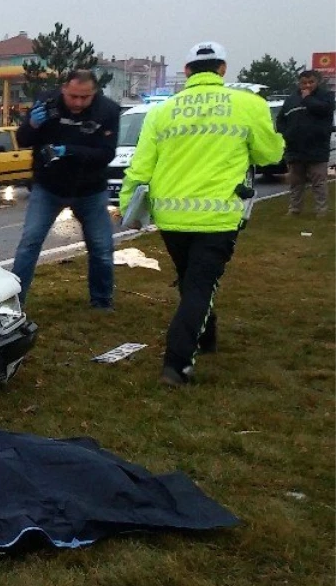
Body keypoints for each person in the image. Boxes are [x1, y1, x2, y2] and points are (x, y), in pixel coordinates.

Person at [119, 42, 283, 387]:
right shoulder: (247, 105)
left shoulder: (162, 111)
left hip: (171, 216)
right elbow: (269, 155)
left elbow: (140, 165)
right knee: (199, 287)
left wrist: (125, 207)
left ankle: (206, 337)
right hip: (218, 215)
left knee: (191, 281)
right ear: (222, 69)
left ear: (189, 70)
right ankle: (177, 365)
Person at [11, 70, 121, 309]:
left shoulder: (108, 111)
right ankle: (13, 304)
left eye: (85, 97)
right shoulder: (46, 104)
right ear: (63, 89)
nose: (79, 103)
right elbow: (23, 140)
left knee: (101, 247)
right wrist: (31, 125)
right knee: (29, 244)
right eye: (73, 97)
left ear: (94, 93)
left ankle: (102, 301)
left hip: (90, 189)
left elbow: (106, 154)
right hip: (49, 187)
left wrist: (68, 150)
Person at [277, 70, 334, 217]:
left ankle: (321, 211)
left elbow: (324, 110)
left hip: (317, 148)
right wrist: (286, 133)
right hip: (295, 149)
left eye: (311, 82)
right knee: (296, 182)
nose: (307, 85)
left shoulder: (326, 96)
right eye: (304, 83)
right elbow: (281, 120)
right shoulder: (291, 99)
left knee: (318, 182)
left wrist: (307, 98)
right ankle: (294, 209)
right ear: (299, 83)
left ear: (317, 82)